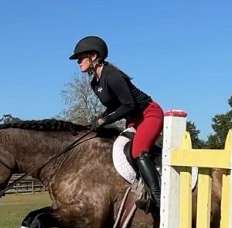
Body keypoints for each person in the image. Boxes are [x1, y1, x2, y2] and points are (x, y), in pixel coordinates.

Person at [69, 35, 164, 212]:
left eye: (81, 58)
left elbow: (129, 104)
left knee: (138, 151)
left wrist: (105, 120)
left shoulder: (112, 75)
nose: (78, 62)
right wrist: (96, 121)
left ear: (94, 56)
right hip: (134, 119)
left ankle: (158, 199)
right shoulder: (95, 83)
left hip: (149, 114)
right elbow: (113, 106)